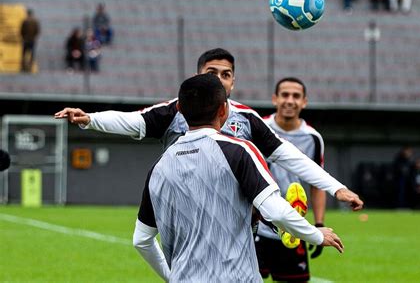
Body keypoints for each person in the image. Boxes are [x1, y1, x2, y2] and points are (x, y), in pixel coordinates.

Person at [54, 48, 363, 210]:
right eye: (211, 72)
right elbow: (134, 122)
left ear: (233, 81)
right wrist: (90, 118)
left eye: (225, 74)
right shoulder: (174, 110)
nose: (219, 78)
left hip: (236, 215)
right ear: (197, 76)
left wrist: (336, 187)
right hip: (184, 211)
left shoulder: (248, 119)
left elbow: (289, 156)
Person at [132, 74, 344, 281]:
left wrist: (171, 276)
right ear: (224, 110)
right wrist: (316, 234)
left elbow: (141, 240)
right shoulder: (239, 151)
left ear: (179, 110)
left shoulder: (159, 168)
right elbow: (275, 211)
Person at [255, 77, 326, 282]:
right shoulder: (258, 128)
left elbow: (317, 182)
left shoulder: (313, 138)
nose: (290, 100)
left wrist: (319, 223)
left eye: (296, 96)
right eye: (285, 95)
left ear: (304, 102)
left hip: (293, 225)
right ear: (275, 99)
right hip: (256, 225)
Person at [20, 9, 41, 73]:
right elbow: (37, 30)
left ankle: (23, 66)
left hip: (26, 39)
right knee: (32, 53)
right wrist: (34, 36)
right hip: (32, 39)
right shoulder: (35, 21)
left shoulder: (25, 21)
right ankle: (30, 66)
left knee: (24, 53)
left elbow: (22, 30)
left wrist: (23, 37)